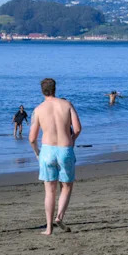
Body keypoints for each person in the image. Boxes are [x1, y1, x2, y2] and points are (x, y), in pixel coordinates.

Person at [30, 78, 82, 235]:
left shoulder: (38, 109)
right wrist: (72, 140)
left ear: (42, 91)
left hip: (47, 150)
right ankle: (59, 217)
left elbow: (32, 138)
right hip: (65, 148)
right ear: (55, 89)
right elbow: (77, 129)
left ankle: (48, 227)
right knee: (66, 186)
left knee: (50, 191)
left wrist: (37, 152)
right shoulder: (67, 105)